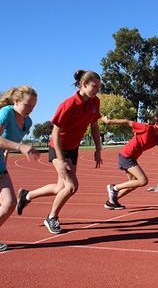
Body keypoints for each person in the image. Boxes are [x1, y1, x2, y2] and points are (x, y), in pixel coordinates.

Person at [16, 70, 103, 234]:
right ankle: (52, 217)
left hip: (73, 147)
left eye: (99, 86)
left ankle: (27, 195)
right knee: (71, 187)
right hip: (58, 147)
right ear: (84, 84)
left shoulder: (94, 102)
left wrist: (98, 149)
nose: (97, 89)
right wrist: (61, 159)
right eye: (94, 86)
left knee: (59, 188)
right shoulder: (68, 104)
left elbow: (95, 126)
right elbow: (55, 132)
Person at [102, 114, 158, 209]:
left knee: (133, 183)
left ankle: (111, 202)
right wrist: (109, 121)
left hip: (132, 158)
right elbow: (128, 122)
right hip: (126, 155)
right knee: (143, 180)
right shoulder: (146, 128)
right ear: (156, 123)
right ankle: (114, 188)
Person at [0, 86, 39, 251]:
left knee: (10, 203)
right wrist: (20, 147)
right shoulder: (6, 113)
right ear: (16, 101)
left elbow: (6, 145)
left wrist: (6, 160)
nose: (30, 109)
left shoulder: (27, 121)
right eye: (27, 105)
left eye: (33, 106)